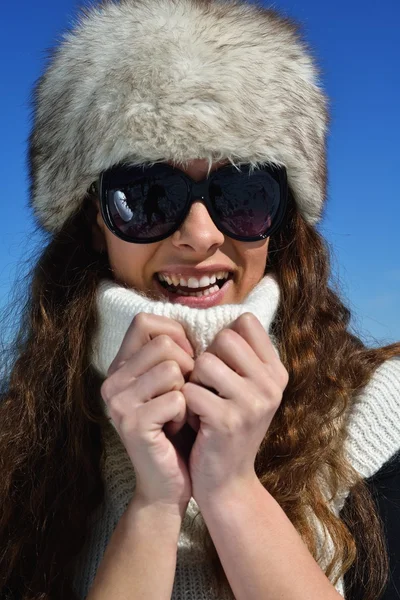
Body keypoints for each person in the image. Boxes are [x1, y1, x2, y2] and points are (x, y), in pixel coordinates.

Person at [0, 0, 399, 598]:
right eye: (146, 193)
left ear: (280, 219)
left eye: (242, 192)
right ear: (94, 222)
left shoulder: (381, 423)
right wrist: (155, 506)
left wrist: (232, 490)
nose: (202, 235)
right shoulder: (18, 450)